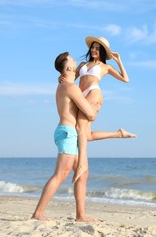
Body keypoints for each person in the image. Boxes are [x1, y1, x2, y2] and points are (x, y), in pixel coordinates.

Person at [31, 52, 99, 222]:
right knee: (61, 174)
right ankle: (38, 213)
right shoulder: (70, 87)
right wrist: (94, 107)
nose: (77, 62)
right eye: (73, 61)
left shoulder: (64, 85)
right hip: (68, 133)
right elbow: (90, 114)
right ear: (69, 67)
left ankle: (81, 215)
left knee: (82, 174)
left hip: (69, 133)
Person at [72, 36, 136, 183]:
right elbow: (71, 79)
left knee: (79, 126)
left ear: (102, 51)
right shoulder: (82, 64)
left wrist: (119, 61)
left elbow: (125, 79)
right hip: (80, 96)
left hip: (94, 93)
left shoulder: (105, 67)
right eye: (93, 47)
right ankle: (119, 133)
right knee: (85, 135)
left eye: (97, 48)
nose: (94, 50)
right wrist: (62, 77)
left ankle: (81, 163)